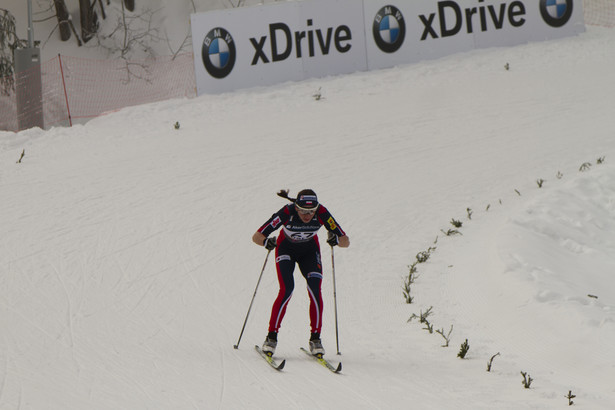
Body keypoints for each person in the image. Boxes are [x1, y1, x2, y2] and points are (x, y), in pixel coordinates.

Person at [252, 189, 349, 357]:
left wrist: (336, 240)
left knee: (315, 290)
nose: (307, 215)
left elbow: (345, 241)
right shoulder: (286, 212)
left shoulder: (322, 213)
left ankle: (315, 339)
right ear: (296, 207)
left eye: (311, 211)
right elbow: (257, 236)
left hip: (309, 252)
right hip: (286, 248)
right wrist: (266, 242)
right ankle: (271, 337)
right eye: (303, 211)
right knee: (287, 289)